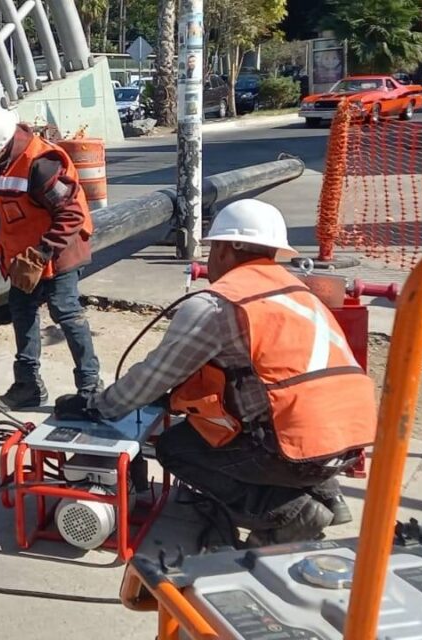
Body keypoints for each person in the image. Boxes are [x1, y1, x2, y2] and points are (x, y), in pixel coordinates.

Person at [54, 200, 376, 546]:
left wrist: (97, 406)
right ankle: (328, 494)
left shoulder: (219, 304)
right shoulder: (299, 292)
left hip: (297, 452)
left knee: (177, 447)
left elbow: (151, 378)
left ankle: (289, 512)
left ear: (223, 249)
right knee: (264, 418)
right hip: (351, 442)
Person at [0, 102, 102, 409]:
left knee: (65, 312)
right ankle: (28, 386)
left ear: (1, 146)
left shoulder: (41, 164)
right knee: (21, 310)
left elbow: (71, 215)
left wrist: (40, 255)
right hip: (21, 258)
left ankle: (91, 388)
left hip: (58, 251)